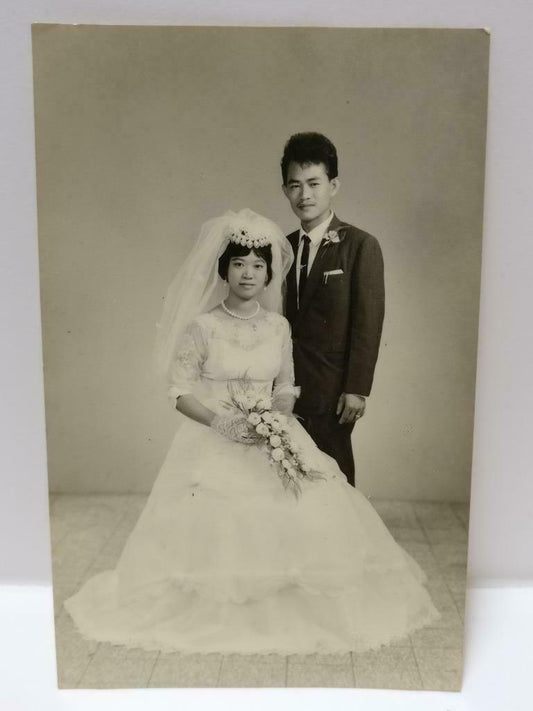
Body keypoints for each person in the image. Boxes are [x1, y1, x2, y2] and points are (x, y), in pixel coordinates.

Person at [64, 209, 438, 655]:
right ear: (224, 271)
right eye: (239, 264)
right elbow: (179, 391)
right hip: (214, 437)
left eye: (258, 265)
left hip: (271, 435)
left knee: (306, 510)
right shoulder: (203, 327)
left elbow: (286, 384)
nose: (248, 273)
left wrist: (276, 419)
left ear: (268, 275)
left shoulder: (279, 327)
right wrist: (221, 422)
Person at [282, 132, 385, 486]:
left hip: (333, 389)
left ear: (334, 185)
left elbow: (368, 323)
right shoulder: (281, 247)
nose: (304, 194)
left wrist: (357, 388)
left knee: (334, 479)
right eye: (295, 185)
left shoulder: (359, 245)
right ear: (285, 190)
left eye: (314, 183)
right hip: (284, 387)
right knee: (287, 478)